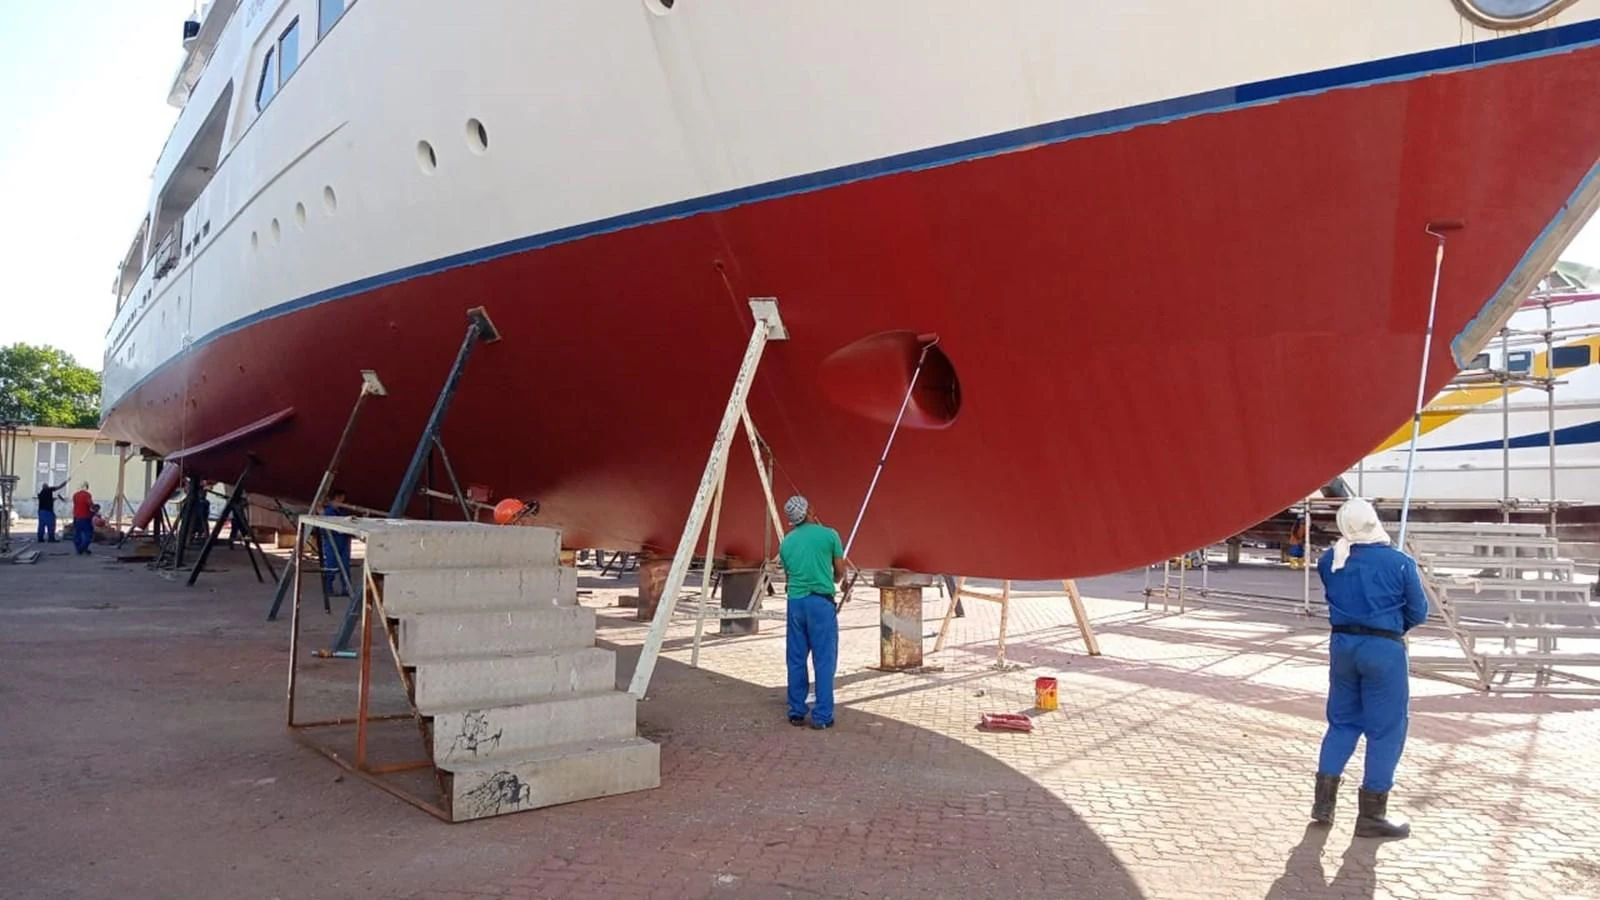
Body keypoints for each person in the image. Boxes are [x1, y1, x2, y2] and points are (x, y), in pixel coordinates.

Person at [1309, 498, 1429, 839]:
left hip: (1343, 646)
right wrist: (1390, 629)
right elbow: (1418, 612)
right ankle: (1372, 815)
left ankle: (1324, 805)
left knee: (1342, 723)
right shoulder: (1400, 563)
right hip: (1384, 648)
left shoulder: (1330, 560)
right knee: (1386, 730)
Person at [778, 495, 846, 730]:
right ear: (808, 511)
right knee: (824, 660)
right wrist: (833, 579)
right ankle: (822, 716)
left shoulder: (786, 542)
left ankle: (796, 711)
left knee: (796, 658)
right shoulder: (830, 535)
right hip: (821, 603)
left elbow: (788, 578)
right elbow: (839, 572)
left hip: (796, 603)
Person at [320, 489, 353, 597]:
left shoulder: (343, 512)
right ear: (334, 499)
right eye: (340, 499)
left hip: (344, 541)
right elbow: (324, 529)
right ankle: (328, 588)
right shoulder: (328, 512)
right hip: (332, 541)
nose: (342, 501)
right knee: (331, 565)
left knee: (345, 566)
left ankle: (346, 588)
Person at [70, 482, 95, 555]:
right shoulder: (87, 495)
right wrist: (95, 509)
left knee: (77, 534)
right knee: (88, 534)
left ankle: (79, 549)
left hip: (76, 517)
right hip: (85, 517)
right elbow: (90, 504)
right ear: (86, 487)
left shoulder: (75, 495)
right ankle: (83, 548)